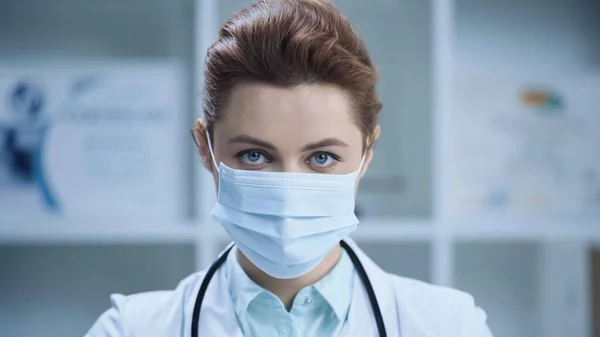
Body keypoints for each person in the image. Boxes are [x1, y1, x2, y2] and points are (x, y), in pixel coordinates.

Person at [86, 0, 493, 336]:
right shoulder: (130, 329)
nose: (288, 189)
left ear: (366, 155)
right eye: (255, 155)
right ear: (206, 149)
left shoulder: (450, 325)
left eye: (321, 158)